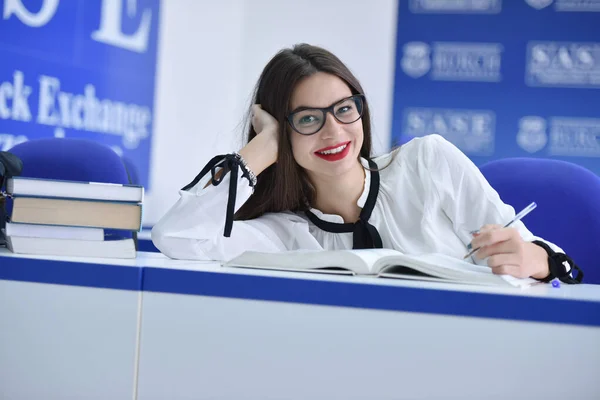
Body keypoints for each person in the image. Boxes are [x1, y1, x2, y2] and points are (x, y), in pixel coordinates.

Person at [152, 43, 581, 283]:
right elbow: (178, 237)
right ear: (282, 131)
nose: (334, 132)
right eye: (307, 119)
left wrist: (536, 260)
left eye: (344, 109)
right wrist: (260, 149)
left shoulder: (427, 162)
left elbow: (551, 261)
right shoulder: (284, 232)